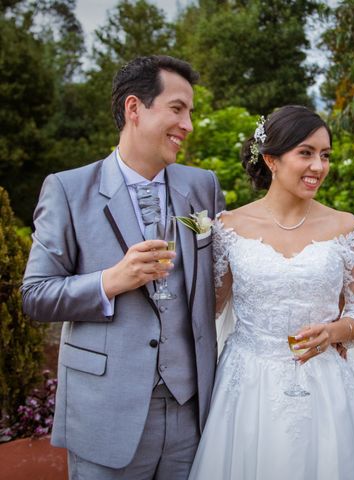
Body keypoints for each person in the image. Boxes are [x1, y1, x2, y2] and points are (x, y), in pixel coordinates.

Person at [21, 55, 225, 479]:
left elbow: (226, 272)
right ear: (134, 108)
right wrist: (111, 281)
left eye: (190, 112)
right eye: (177, 109)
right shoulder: (68, 189)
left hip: (191, 410)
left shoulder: (202, 186)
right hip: (106, 412)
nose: (188, 124)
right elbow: (35, 295)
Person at [187, 105, 354, 479]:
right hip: (247, 385)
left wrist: (334, 332)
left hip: (322, 384)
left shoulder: (345, 228)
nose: (319, 166)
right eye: (306, 153)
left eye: (325, 155)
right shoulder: (229, 228)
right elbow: (210, 309)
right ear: (271, 159)